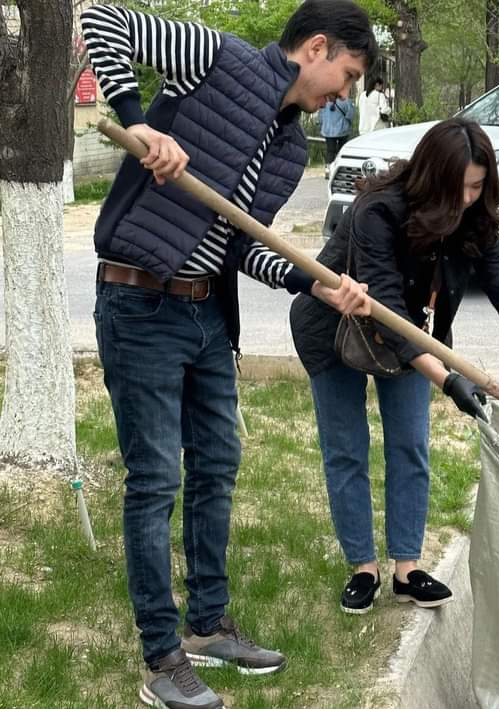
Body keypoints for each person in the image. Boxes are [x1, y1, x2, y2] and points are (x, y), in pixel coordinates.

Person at [80, 2, 376, 707]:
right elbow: (101, 20)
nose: (345, 93)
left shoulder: (285, 147)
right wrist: (137, 116)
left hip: (208, 311)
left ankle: (208, 625)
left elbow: (245, 246)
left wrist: (318, 284)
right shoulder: (218, 57)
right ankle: (161, 658)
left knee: (216, 465)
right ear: (315, 47)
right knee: (153, 479)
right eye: (347, 74)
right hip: (139, 301)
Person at [289, 118, 499, 615]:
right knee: (346, 449)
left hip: (417, 334)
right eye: (459, 188)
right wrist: (448, 379)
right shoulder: (377, 212)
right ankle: (362, 568)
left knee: (410, 445)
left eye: (477, 187)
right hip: (336, 329)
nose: (468, 199)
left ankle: (406, 570)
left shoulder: (475, 220)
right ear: (431, 177)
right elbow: (384, 306)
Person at [318, 97, 355, 179]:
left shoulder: (325, 99)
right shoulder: (345, 100)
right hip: (342, 130)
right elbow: (350, 114)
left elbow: (320, 116)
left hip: (328, 131)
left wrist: (321, 125)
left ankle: (328, 170)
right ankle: (340, 170)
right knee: (341, 151)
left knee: (330, 151)